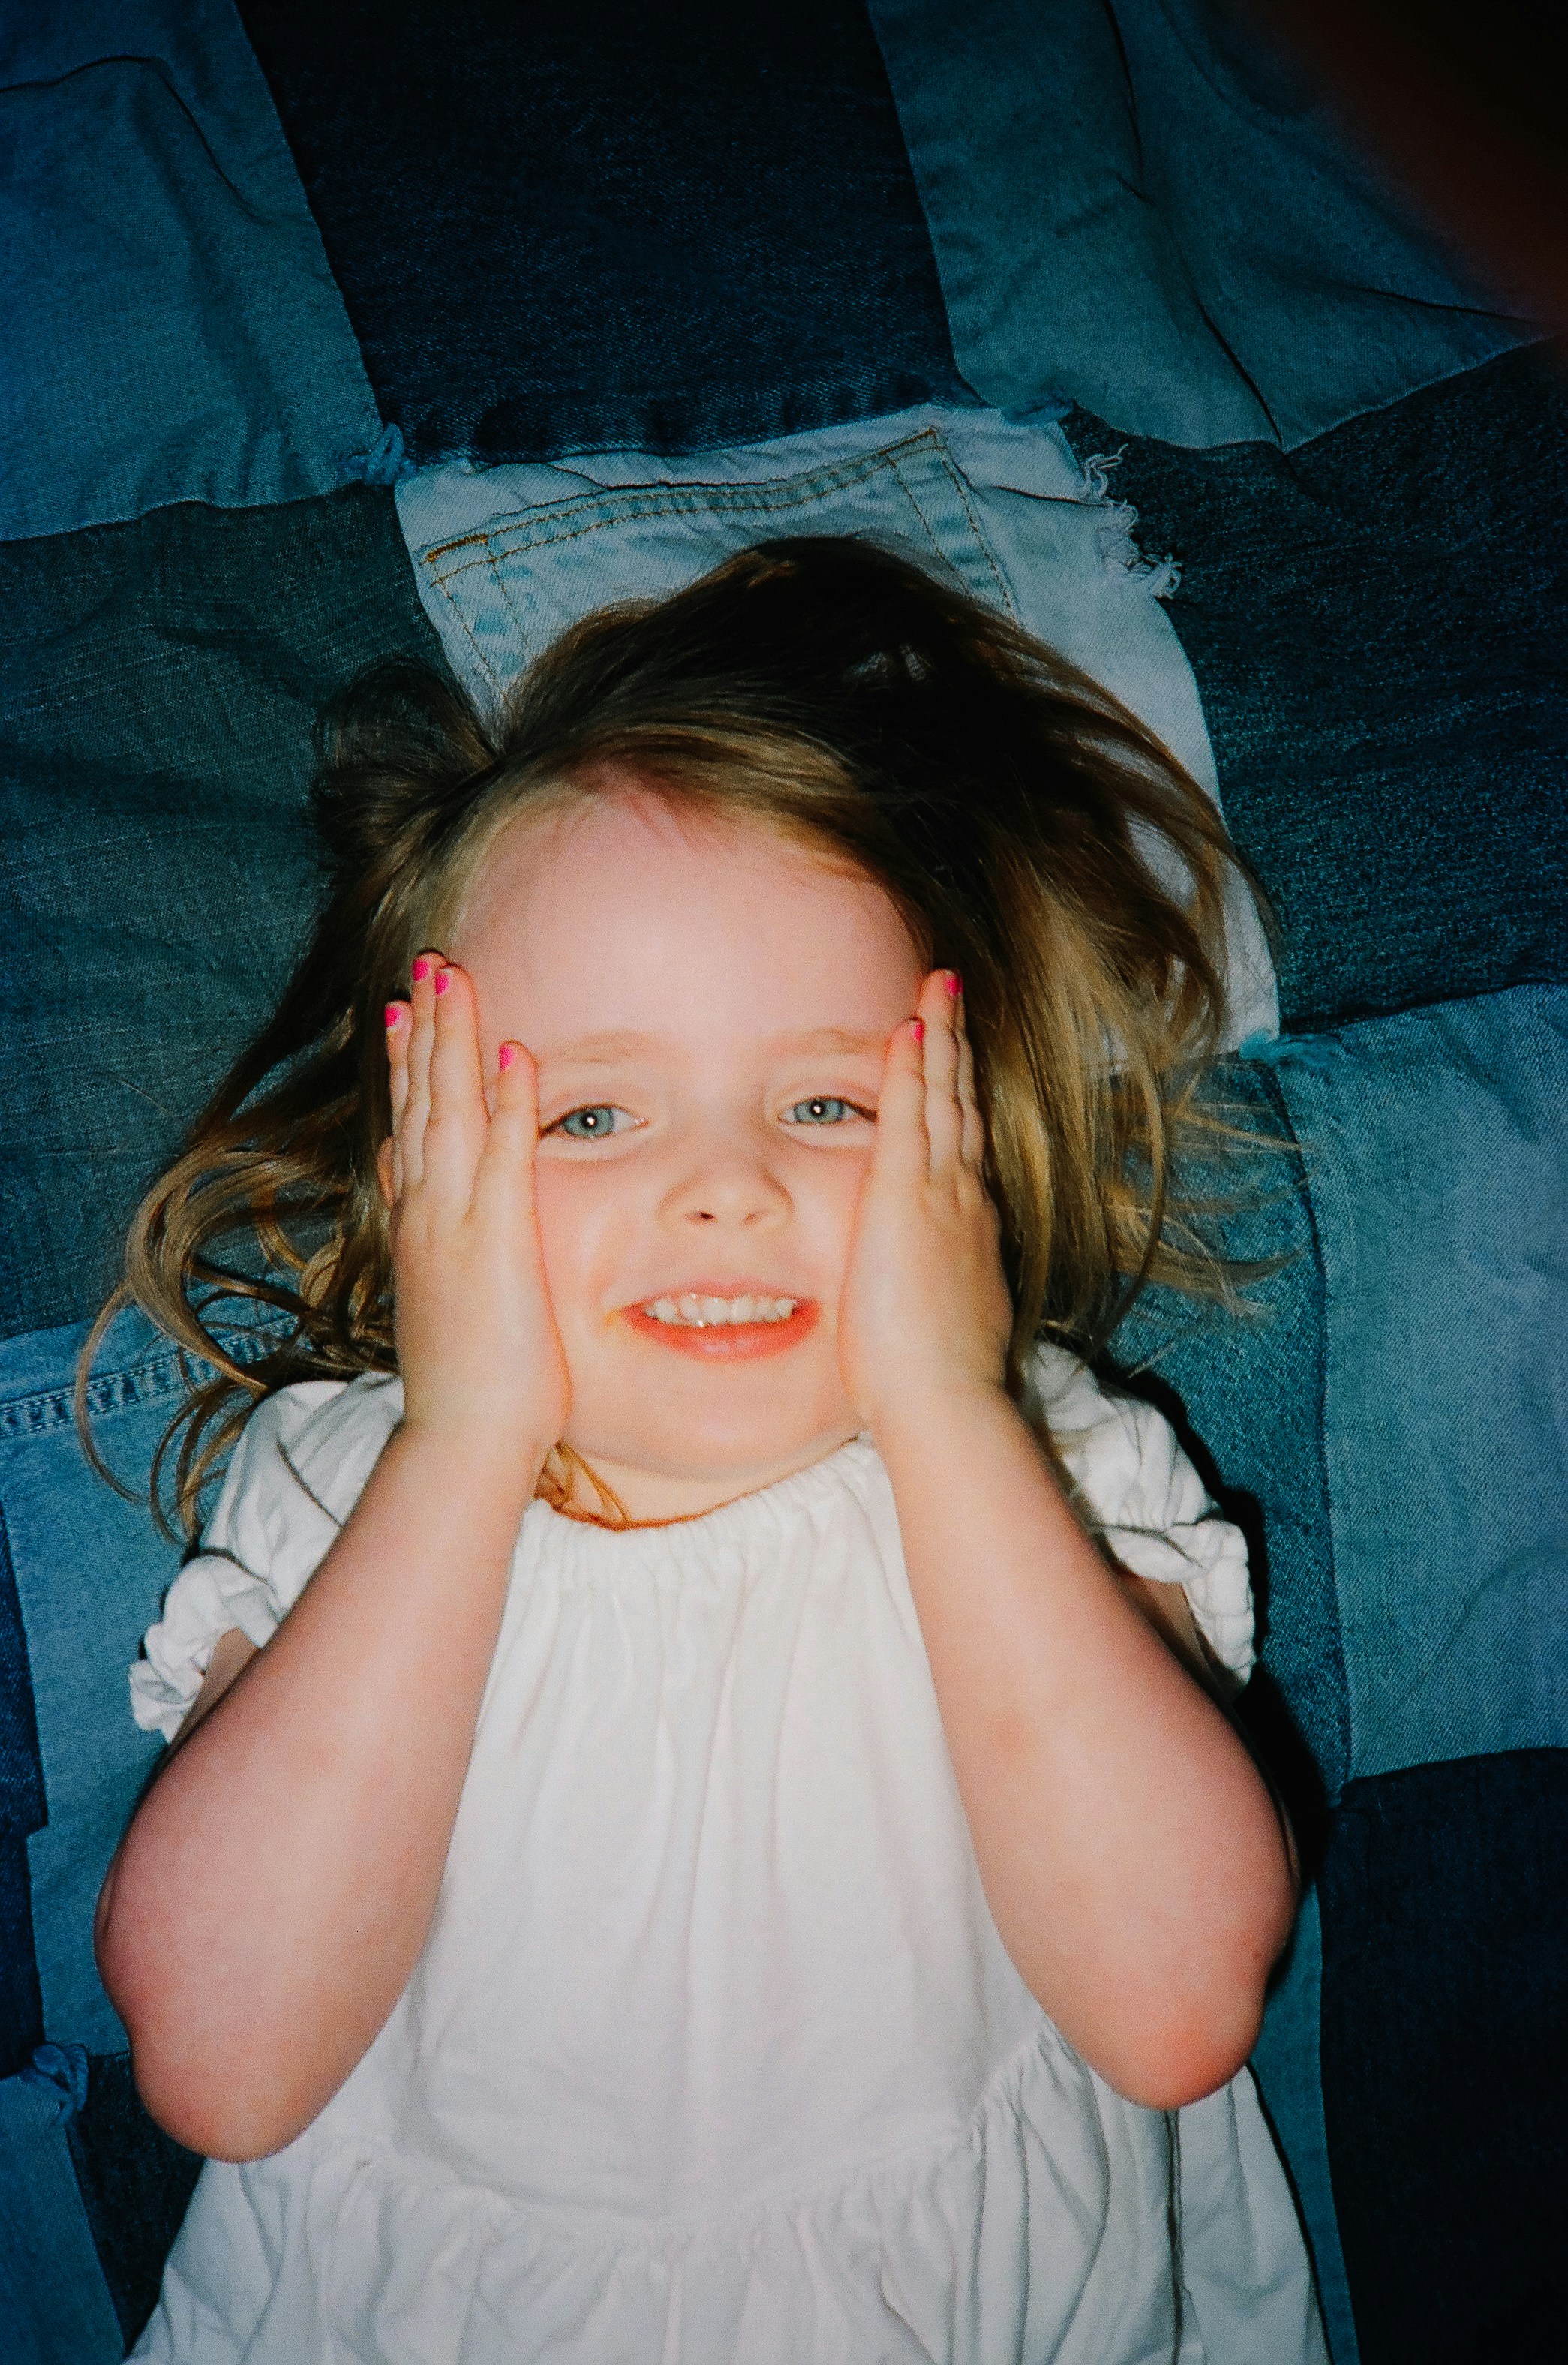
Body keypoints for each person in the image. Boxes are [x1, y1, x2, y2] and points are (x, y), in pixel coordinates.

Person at [94, 539, 1325, 2361]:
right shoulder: (353, 1495)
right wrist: (466, 1440)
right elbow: (227, 2063)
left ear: (954, 1139)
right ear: (414, 1168)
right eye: (592, 1110)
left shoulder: (1049, 1475)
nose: (728, 1188)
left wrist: (940, 1415)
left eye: (824, 1102)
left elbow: (1169, 2009)